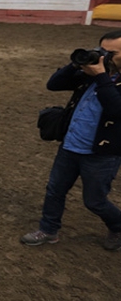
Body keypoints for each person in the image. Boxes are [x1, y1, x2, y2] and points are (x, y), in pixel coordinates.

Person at [21, 29, 121, 252]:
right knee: (54, 190)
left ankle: (118, 225)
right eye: (101, 50)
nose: (104, 56)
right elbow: (53, 84)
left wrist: (102, 76)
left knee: (94, 201)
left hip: (102, 154)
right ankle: (48, 230)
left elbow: (116, 109)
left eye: (111, 52)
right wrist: (76, 63)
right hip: (71, 145)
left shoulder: (103, 77)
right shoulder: (91, 74)